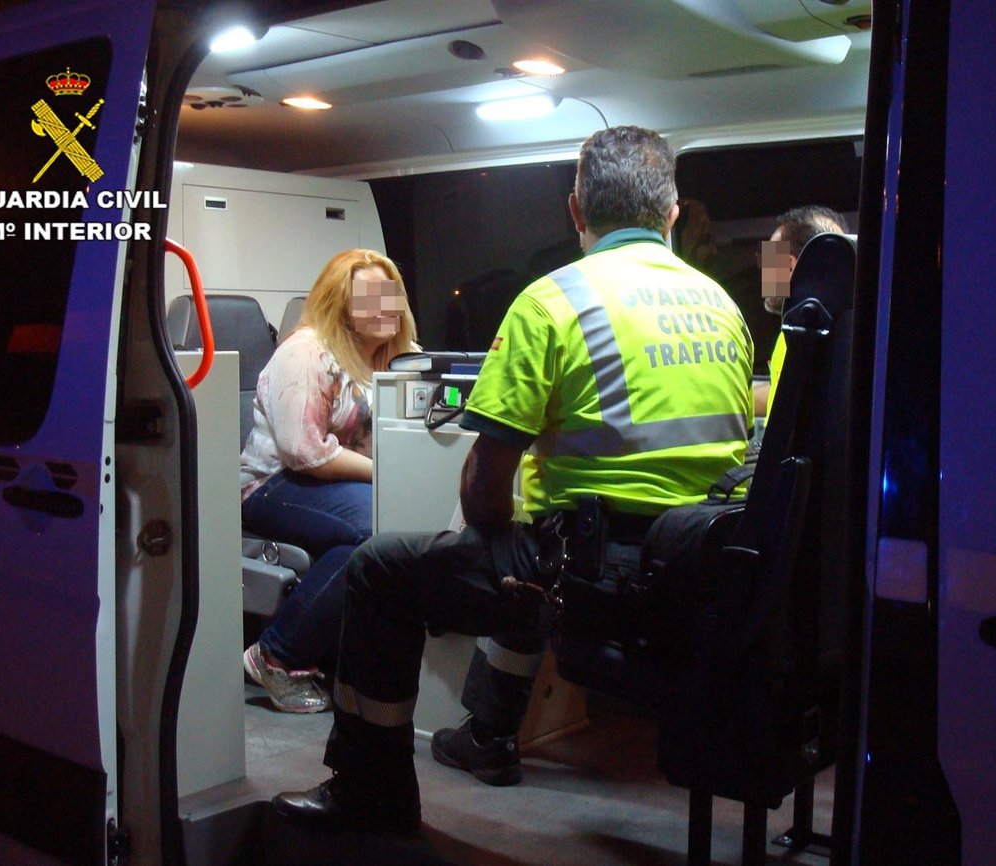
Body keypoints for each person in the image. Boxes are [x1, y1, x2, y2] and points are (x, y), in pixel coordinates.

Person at [271, 126, 754, 832]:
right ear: (672, 213)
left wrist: (501, 535)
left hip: (600, 580)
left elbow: (483, 486)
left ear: (576, 210)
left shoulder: (553, 302)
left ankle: (369, 792)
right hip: (701, 573)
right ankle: (488, 736)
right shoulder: (723, 307)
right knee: (527, 549)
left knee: (389, 567)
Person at [239, 249, 418, 713]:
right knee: (378, 529)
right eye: (370, 297)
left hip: (338, 483)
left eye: (391, 295)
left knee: (404, 522)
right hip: (272, 484)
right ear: (340, 304)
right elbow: (303, 451)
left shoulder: (396, 358)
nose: (386, 307)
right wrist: (391, 474)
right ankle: (275, 655)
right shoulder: (306, 353)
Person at [753, 205, 848, 419]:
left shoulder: (800, 338)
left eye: (768, 261)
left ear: (788, 265)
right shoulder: (844, 332)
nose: (763, 273)